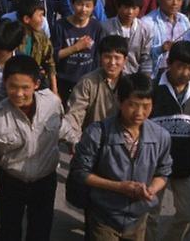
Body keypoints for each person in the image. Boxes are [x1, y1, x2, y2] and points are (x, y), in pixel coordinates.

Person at [0, 55, 66, 241]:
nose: (18, 93)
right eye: (13, 86)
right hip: (11, 181)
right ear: (4, 83)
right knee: (10, 231)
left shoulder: (52, 103)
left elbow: (65, 129)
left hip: (45, 181)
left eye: (25, 88)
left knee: (40, 231)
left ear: (36, 84)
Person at [70, 73, 173, 240]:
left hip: (138, 218)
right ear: (119, 101)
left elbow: (163, 172)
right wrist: (119, 187)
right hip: (103, 216)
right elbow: (80, 172)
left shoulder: (161, 136)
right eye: (133, 105)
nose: (139, 112)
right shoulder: (98, 133)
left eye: (146, 106)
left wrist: (151, 189)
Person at [146, 41, 190, 241]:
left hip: (184, 162)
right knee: (149, 214)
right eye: (180, 66)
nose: (185, 72)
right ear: (169, 63)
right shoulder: (154, 88)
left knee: (189, 213)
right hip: (155, 164)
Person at [53, 0, 103, 101]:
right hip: (64, 82)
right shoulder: (60, 26)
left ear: (93, 7)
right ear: (72, 4)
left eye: (88, 6)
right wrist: (76, 47)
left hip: (88, 82)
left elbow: (98, 56)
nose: (83, 9)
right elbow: (53, 56)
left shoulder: (96, 27)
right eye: (80, 4)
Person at [102, 0, 154, 76]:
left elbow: (146, 57)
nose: (130, 12)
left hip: (134, 77)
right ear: (118, 7)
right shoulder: (106, 27)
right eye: (126, 7)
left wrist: (144, 79)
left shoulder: (145, 29)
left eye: (134, 8)